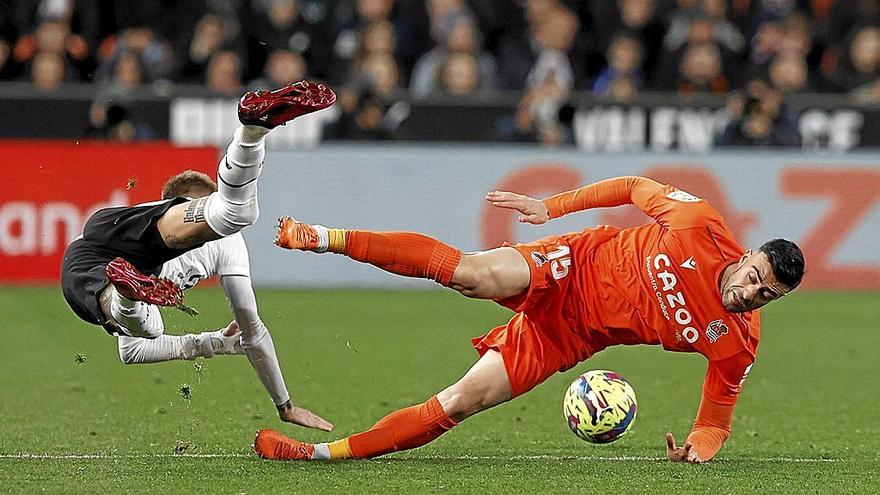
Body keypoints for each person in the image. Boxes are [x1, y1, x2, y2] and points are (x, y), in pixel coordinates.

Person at [255, 175, 804, 463]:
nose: (751, 293)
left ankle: (319, 453)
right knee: (473, 274)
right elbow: (634, 187)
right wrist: (554, 207)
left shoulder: (736, 343)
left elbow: (714, 422)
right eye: (755, 276)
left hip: (570, 337)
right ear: (748, 254)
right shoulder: (697, 223)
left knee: (460, 402)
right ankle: (325, 238)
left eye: (767, 295)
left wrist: (697, 452)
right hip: (574, 265)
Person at [60, 80, 336, 431]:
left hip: (89, 253)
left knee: (146, 324)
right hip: (130, 255)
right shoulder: (228, 242)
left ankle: (126, 292)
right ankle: (250, 133)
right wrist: (284, 404)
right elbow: (253, 330)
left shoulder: (155, 215)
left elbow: (131, 353)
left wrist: (213, 342)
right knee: (236, 216)